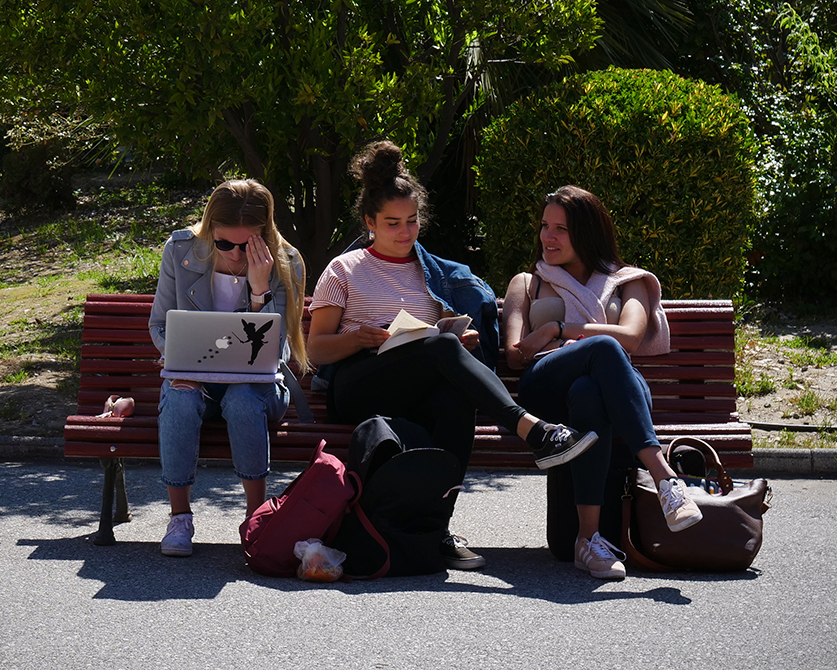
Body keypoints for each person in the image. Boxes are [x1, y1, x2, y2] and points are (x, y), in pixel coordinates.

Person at [307, 141, 597, 571]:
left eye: (412, 221)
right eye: (392, 224)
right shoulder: (344, 269)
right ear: (369, 222)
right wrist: (361, 339)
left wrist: (459, 343)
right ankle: (534, 431)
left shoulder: (434, 275)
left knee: (454, 396)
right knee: (439, 348)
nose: (405, 233)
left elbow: (436, 344)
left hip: (415, 387)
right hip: (357, 384)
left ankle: (437, 529)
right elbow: (316, 349)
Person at [502, 185, 703, 581]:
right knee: (602, 349)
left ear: (588, 232)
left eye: (561, 228)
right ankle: (665, 479)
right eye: (545, 226)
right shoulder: (527, 283)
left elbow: (629, 337)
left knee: (591, 389)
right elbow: (515, 353)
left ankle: (588, 541)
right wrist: (558, 344)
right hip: (547, 389)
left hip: (615, 388)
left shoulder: (630, 281)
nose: (548, 236)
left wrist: (558, 329)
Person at [149, 179, 308, 557]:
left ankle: (256, 517)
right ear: (209, 232)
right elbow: (159, 325)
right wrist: (176, 357)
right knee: (180, 396)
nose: (236, 255)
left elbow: (279, 346)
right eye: (224, 244)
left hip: (258, 386)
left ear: (264, 234)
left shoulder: (285, 262)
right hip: (196, 378)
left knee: (241, 399)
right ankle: (179, 517)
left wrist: (258, 290)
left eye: (247, 244)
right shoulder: (181, 250)